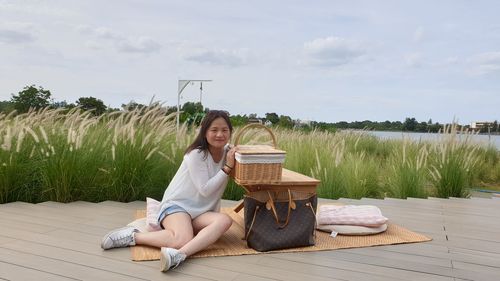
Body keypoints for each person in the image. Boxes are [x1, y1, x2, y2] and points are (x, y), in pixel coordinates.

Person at [100, 110, 238, 272]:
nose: (220, 134)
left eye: (224, 130)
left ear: (230, 132)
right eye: (214, 130)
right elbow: (205, 190)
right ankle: (133, 236)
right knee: (182, 238)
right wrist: (227, 167)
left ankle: (178, 255)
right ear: (204, 131)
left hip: (201, 212)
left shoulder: (228, 152)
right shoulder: (196, 155)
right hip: (178, 206)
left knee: (224, 221)